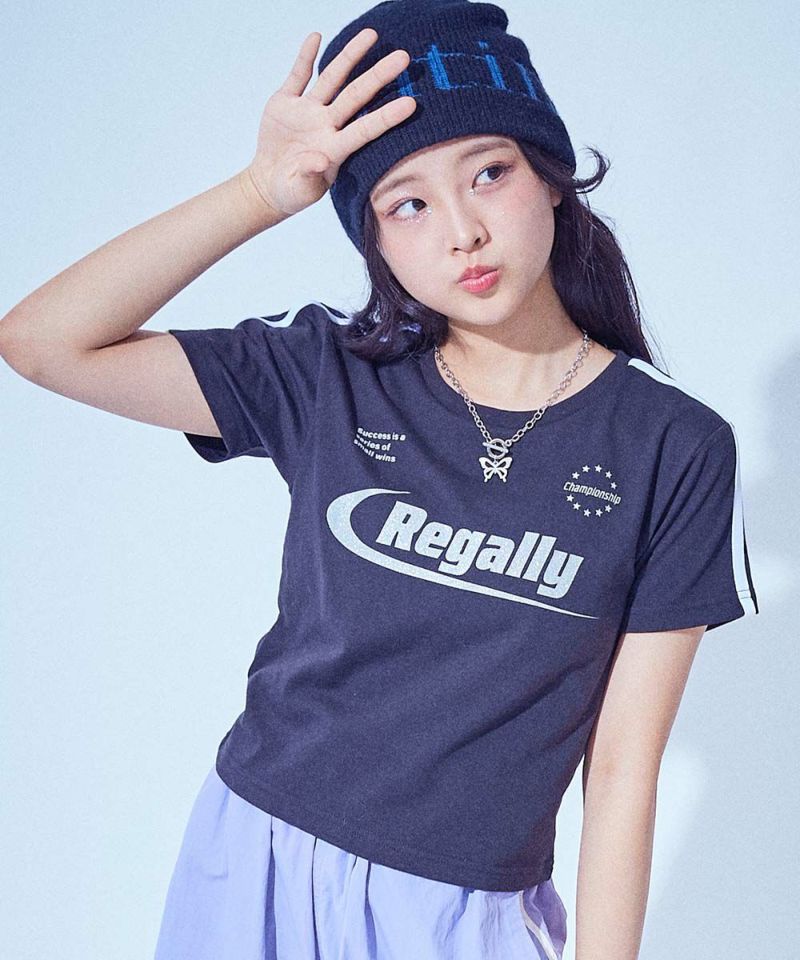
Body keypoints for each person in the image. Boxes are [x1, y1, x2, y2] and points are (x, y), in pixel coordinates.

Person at [0, 1, 761, 958]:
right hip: (256, 855)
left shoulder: (675, 447)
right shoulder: (330, 372)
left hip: (460, 912)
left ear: (551, 178)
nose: (462, 231)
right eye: (408, 204)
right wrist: (258, 192)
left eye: (489, 173)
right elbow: (42, 343)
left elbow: (620, 773)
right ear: (376, 240)